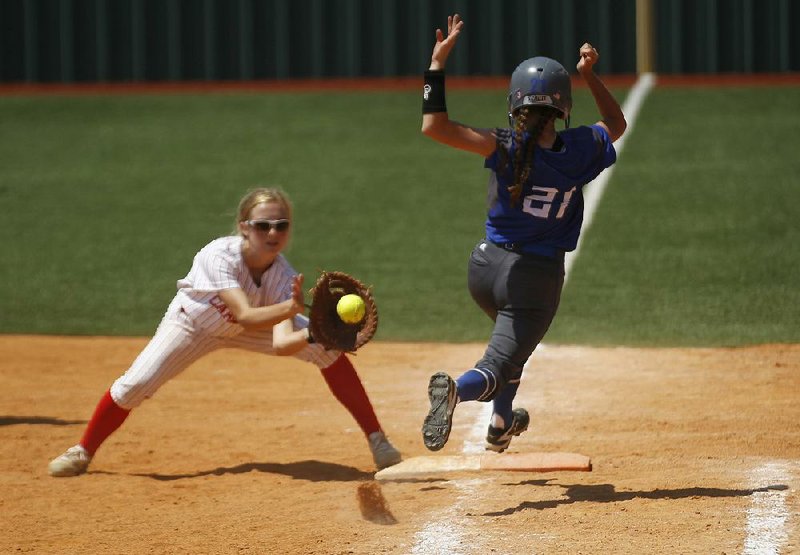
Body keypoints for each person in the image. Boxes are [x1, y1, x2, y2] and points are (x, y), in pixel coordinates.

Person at [48, 187, 401, 476]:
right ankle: (82, 451)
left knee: (328, 352)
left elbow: (281, 343)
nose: (274, 233)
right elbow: (245, 314)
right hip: (193, 324)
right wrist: (290, 309)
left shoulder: (282, 276)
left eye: (282, 225)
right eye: (263, 226)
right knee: (136, 384)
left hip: (253, 328)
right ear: (244, 227)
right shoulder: (218, 255)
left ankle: (378, 441)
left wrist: (316, 335)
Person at [419, 14, 627, 452]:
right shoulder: (582, 148)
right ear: (562, 107)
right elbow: (617, 125)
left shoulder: (501, 145)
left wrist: (436, 68)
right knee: (497, 362)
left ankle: (500, 424)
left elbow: (434, 126)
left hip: (484, 267)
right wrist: (590, 75)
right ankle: (456, 390)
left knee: (515, 350)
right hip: (534, 279)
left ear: (515, 103)